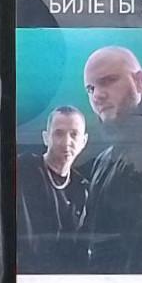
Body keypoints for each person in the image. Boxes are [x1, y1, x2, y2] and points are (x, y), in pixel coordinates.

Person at [78, 46, 142, 267]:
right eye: (90, 88)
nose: (97, 95)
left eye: (108, 81)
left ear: (140, 81)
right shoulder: (106, 158)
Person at [15, 104, 95, 272]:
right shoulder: (22, 169)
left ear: (84, 141)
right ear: (46, 138)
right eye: (59, 133)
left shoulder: (82, 189)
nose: (66, 142)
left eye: (74, 134)